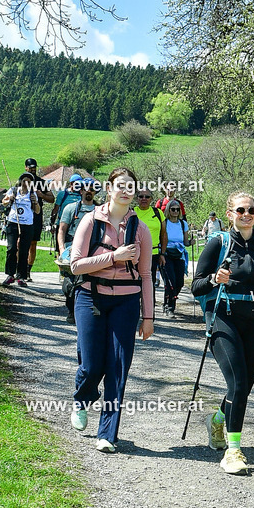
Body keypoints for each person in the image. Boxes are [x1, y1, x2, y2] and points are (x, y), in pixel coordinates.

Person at [191, 191, 254, 475]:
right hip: (223, 317)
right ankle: (233, 451)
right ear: (229, 214)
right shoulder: (217, 243)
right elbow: (196, 286)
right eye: (241, 210)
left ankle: (218, 419)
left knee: (243, 387)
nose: (247, 215)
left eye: (251, 210)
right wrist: (213, 279)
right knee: (237, 384)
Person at [69, 167, 154, 453]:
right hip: (89, 297)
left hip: (126, 302)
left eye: (131, 186)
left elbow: (145, 276)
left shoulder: (140, 228)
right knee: (92, 365)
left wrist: (148, 316)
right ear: (109, 188)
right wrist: (113, 257)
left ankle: (107, 433)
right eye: (120, 185)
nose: (126, 190)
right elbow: (75, 265)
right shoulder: (90, 221)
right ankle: (82, 399)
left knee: (118, 367)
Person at [57, 178, 99, 322]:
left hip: (93, 249)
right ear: (80, 191)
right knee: (70, 282)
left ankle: (89, 311)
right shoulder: (70, 208)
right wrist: (62, 249)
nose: (89, 191)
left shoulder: (99, 211)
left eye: (92, 189)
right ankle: (71, 310)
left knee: (91, 281)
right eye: (86, 189)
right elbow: (62, 230)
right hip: (72, 248)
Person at [2, 172, 40, 286]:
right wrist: (9, 199)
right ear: (20, 181)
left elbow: (37, 211)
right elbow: (4, 202)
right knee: (12, 248)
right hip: (13, 222)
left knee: (24, 250)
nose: (26, 183)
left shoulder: (33, 194)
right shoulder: (13, 191)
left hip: (27, 225)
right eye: (24, 181)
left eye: (29, 182)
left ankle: (21, 277)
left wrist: (35, 202)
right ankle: (10, 275)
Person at [134, 187, 166, 310]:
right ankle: (134, 310)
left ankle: (149, 312)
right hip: (135, 254)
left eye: (147, 196)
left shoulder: (158, 213)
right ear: (137, 199)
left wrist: (162, 253)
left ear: (151, 199)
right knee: (135, 282)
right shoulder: (131, 212)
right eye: (141, 196)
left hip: (153, 254)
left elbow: (163, 234)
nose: (144, 199)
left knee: (149, 284)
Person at [24, 158, 54, 279]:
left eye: (34, 167)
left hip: (37, 214)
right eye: (30, 167)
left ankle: (27, 270)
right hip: (24, 214)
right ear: (25, 167)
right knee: (20, 243)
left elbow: (52, 199)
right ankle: (19, 268)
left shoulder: (41, 182)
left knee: (33, 243)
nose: (33, 169)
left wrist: (41, 195)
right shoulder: (22, 181)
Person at [162, 201, 192, 315]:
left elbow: (185, 242)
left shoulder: (183, 224)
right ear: (168, 210)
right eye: (173, 209)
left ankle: (169, 301)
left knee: (179, 282)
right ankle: (170, 307)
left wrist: (190, 242)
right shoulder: (164, 223)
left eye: (177, 209)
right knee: (171, 281)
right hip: (167, 254)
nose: (175, 212)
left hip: (179, 254)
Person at [50, 174, 83, 251]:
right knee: (60, 248)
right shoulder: (63, 194)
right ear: (71, 184)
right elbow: (56, 209)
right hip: (62, 224)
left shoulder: (82, 195)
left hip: (77, 225)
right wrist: (52, 223)